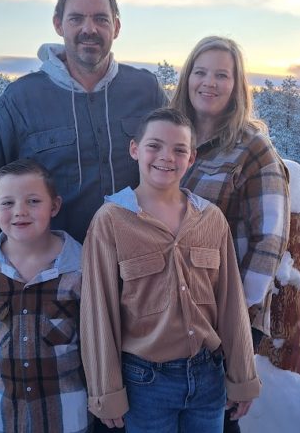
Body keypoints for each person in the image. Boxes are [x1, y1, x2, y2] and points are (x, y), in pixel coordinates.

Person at [0, 0, 167, 282]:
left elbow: (182, 160)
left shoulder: (145, 91)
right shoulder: (21, 100)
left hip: (136, 272)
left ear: (117, 27)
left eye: (100, 19)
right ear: (58, 24)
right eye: (76, 18)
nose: (89, 29)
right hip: (53, 279)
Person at [80, 108, 261, 432]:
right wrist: (106, 391)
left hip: (209, 379)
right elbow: (98, 312)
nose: (166, 157)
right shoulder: (111, 221)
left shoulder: (211, 219)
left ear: (191, 158)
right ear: (135, 149)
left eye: (179, 150)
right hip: (145, 384)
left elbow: (231, 302)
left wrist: (242, 375)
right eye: (155, 146)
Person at [172, 36, 291, 432]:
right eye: (201, 72)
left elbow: (269, 241)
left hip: (223, 321)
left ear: (237, 85)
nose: (209, 82)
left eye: (222, 75)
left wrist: (237, 323)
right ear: (187, 78)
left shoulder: (252, 149)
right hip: (166, 318)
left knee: (217, 420)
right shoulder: (171, 138)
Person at [0, 159, 90, 433]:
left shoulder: (80, 270)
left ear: (54, 206)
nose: (20, 211)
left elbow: (96, 341)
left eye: (33, 201)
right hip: (8, 416)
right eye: (8, 203)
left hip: (68, 417)